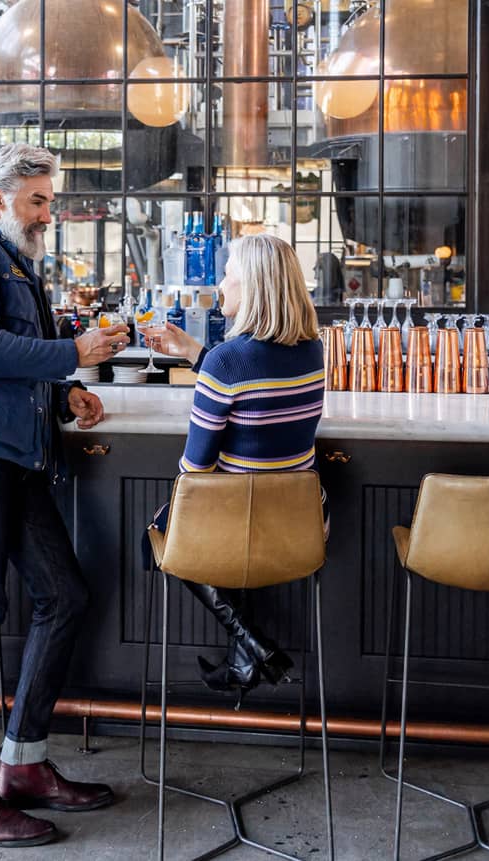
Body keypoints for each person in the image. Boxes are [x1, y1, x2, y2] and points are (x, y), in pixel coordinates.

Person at [0, 143, 128, 848]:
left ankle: (23, 766)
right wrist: (75, 354)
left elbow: (13, 354)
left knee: (64, 594)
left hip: (16, 449)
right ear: (0, 197)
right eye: (38, 199)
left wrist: (65, 392)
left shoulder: (14, 262)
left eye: (49, 198)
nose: (49, 212)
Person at [144, 233, 326, 699]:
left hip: (237, 521)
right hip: (298, 524)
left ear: (254, 286)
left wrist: (206, 364)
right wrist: (193, 352)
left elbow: (195, 467)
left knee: (160, 532)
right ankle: (246, 656)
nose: (220, 285)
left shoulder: (227, 361)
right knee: (201, 522)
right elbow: (255, 381)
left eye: (228, 275)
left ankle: (255, 645)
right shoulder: (311, 349)